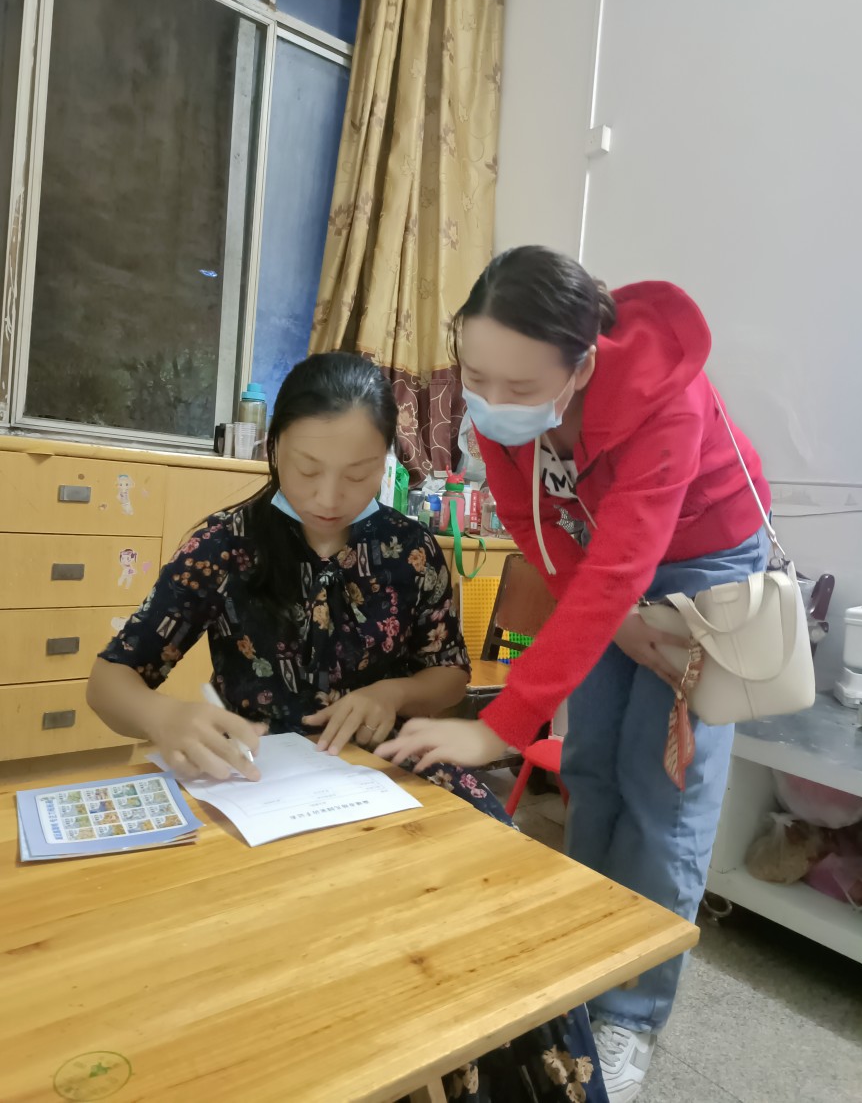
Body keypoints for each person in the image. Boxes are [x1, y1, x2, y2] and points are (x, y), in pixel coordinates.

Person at [88, 350, 609, 1103]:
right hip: (253, 782)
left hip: (391, 769)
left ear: (388, 462)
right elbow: (110, 679)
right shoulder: (225, 543)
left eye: (359, 474)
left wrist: (394, 692)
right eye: (306, 470)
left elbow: (449, 672)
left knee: (498, 888)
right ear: (274, 449)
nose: (329, 497)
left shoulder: (410, 548)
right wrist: (163, 714)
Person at [378, 248, 772, 1102]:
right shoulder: (501, 392)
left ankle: (630, 1015)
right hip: (598, 562)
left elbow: (627, 562)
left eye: (520, 387)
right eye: (476, 376)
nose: (492, 401)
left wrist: (498, 724)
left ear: (581, 366)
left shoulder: (665, 399)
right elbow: (535, 527)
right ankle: (580, 964)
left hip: (702, 559)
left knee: (663, 786)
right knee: (591, 768)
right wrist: (614, 625)